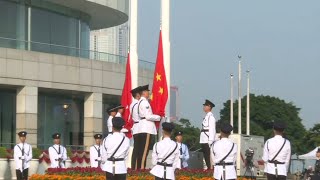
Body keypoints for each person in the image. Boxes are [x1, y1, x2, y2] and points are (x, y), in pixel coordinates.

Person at [135, 84, 161, 169]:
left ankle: (139, 168)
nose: (149, 93)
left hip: (141, 127)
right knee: (144, 151)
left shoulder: (139, 102)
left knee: (140, 151)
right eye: (147, 92)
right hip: (146, 127)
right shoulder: (145, 102)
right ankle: (141, 169)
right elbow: (148, 116)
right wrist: (158, 117)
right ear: (144, 93)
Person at [200, 99, 216, 169]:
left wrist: (210, 140)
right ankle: (208, 169)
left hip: (207, 139)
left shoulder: (211, 117)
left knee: (208, 157)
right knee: (205, 156)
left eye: (205, 106)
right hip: (203, 139)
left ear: (209, 107)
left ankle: (210, 170)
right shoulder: (206, 116)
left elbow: (212, 130)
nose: (204, 107)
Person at [129, 86, 142, 169]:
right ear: (137, 95)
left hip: (136, 127)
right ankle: (137, 167)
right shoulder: (137, 104)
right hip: (139, 126)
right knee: (139, 149)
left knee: (136, 149)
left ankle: (134, 167)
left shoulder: (132, 104)